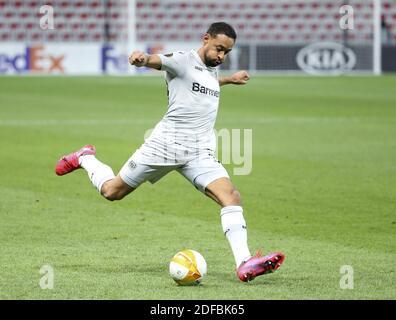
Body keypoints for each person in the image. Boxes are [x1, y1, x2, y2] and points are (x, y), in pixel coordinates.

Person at [55, 22, 285, 282]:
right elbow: (157, 61)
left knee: (230, 196)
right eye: (219, 49)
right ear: (205, 39)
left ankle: (244, 263)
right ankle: (85, 157)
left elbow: (204, 83)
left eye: (227, 53)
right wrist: (142, 59)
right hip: (164, 146)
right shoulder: (182, 61)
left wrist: (229, 80)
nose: (222, 56)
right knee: (112, 192)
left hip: (199, 152)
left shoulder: (210, 71)